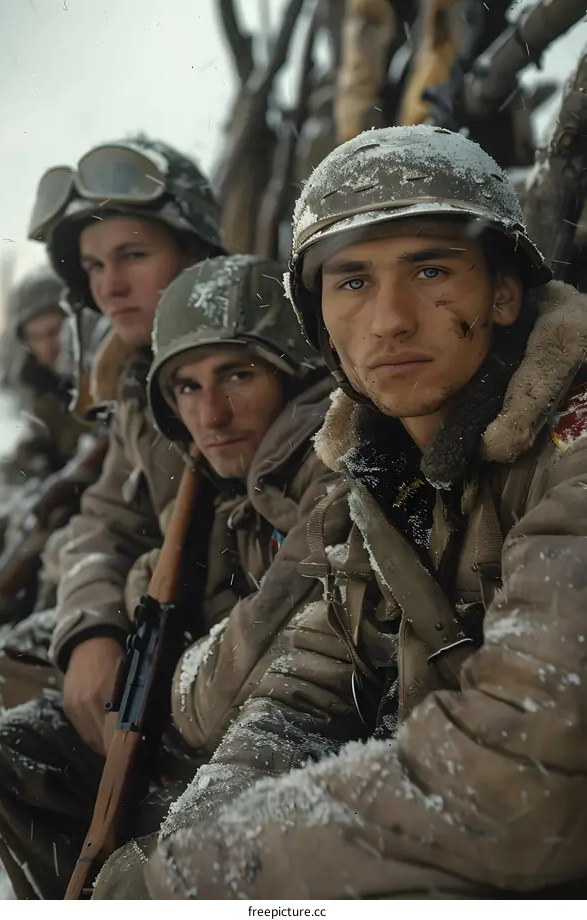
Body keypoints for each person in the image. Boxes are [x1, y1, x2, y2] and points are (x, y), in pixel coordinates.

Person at [142, 125, 587, 900]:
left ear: (505, 293)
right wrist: (203, 832)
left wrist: (212, 870)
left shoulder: (570, 451)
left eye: (430, 269)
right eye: (352, 282)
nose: (390, 320)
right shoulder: (379, 479)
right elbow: (303, 693)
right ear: (320, 321)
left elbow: (526, 778)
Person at [0, 252, 338, 899]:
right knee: (12, 753)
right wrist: (111, 619)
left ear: (295, 373)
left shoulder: (325, 465)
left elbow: (246, 668)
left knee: (137, 876)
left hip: (304, 744)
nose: (212, 415)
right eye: (188, 388)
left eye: (238, 375)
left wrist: (152, 674)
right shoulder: (232, 475)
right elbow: (116, 536)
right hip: (226, 721)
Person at [0, 265, 89, 489]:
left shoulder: (101, 383)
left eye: (54, 332)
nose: (47, 348)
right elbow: (38, 443)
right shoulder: (43, 387)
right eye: (34, 337)